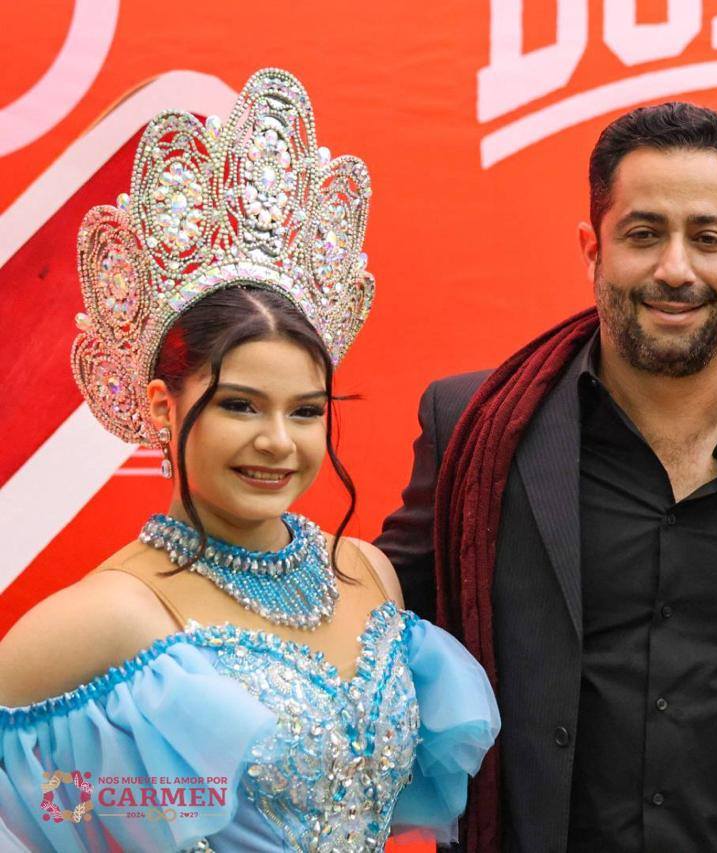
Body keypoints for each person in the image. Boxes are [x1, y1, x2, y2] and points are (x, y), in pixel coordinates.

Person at [376, 101, 717, 852]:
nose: (675, 269)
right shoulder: (474, 426)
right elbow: (372, 628)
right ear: (592, 249)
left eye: (707, 238)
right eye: (644, 234)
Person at [0, 69, 498, 852]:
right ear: (163, 407)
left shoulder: (368, 573)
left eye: (305, 411)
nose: (278, 441)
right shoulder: (111, 615)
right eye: (239, 405)